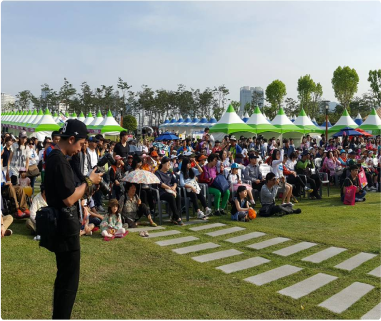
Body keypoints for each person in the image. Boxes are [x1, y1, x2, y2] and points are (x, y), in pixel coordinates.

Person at [44, 119, 102, 319]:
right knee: (68, 283)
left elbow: (71, 194)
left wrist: (88, 186)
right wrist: (89, 181)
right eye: (80, 144)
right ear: (71, 139)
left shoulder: (57, 158)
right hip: (64, 228)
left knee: (64, 280)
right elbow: (68, 199)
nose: (80, 149)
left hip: (63, 225)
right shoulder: (58, 160)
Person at [154, 156, 184, 225]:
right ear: (162, 164)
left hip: (170, 191)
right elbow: (159, 183)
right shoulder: (157, 173)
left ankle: (174, 217)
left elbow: (175, 181)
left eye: (169, 164)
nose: (169, 165)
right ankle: (177, 217)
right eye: (167, 163)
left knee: (179, 197)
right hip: (162, 192)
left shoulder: (170, 173)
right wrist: (169, 188)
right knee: (171, 197)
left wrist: (174, 187)